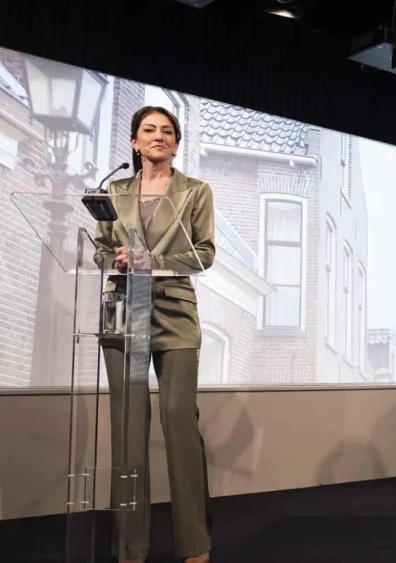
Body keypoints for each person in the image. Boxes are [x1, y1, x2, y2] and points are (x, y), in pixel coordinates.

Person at [94, 105, 215, 563]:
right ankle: (130, 547)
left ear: (177, 144)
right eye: (149, 130)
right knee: (128, 429)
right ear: (134, 141)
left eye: (167, 131)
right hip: (124, 309)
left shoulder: (195, 191)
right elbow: (99, 252)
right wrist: (118, 260)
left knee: (179, 420)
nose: (158, 136)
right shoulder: (114, 190)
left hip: (175, 312)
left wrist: (156, 263)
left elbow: (205, 254)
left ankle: (194, 544)